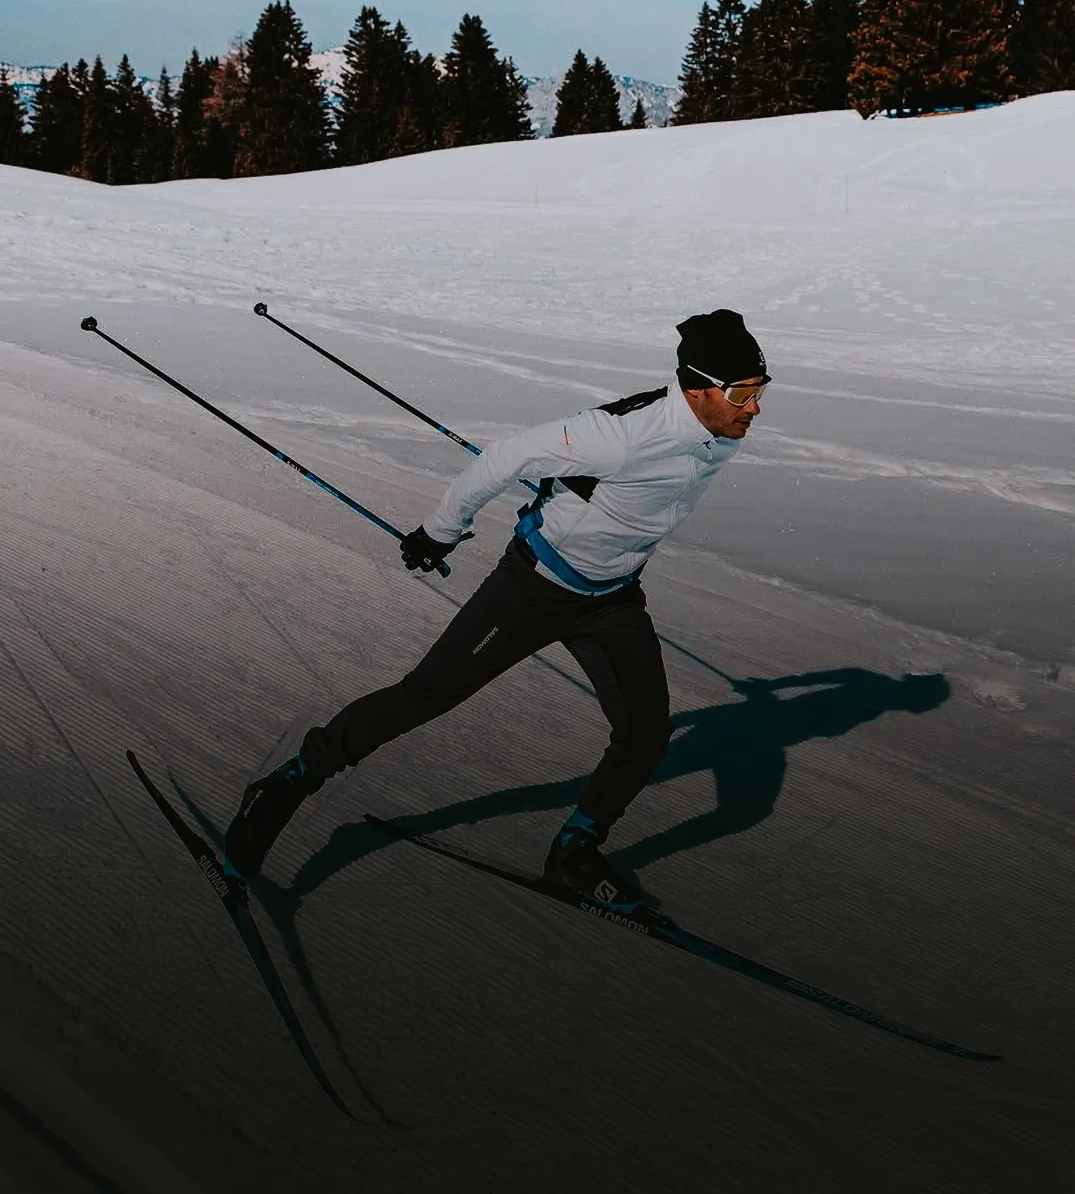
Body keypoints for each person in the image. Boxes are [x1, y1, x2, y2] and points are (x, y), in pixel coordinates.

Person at [223, 309, 770, 913]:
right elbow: (503, 459)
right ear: (696, 388)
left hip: (613, 597)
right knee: (426, 695)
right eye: (741, 394)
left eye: (760, 392)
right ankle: (289, 783)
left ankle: (575, 850)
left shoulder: (720, 431)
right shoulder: (619, 434)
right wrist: (439, 532)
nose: (754, 408)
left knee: (645, 733)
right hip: (534, 588)